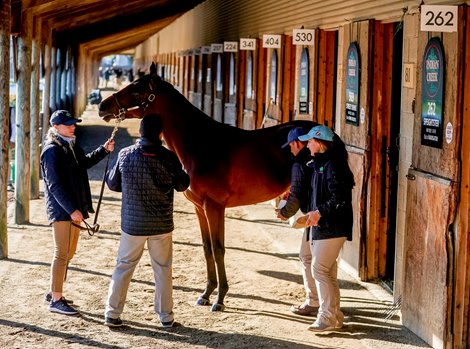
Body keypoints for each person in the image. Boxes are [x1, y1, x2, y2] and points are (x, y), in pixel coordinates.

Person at [104, 114, 190, 328]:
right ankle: (166, 317)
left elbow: (113, 185)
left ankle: (112, 313)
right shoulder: (169, 157)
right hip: (160, 224)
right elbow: (182, 186)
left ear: (140, 131)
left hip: (132, 225)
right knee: (162, 269)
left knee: (123, 267)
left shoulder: (125, 154)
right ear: (161, 133)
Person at [41, 110, 115, 316]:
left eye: (73, 123)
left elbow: (84, 163)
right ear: (56, 127)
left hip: (73, 208)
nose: (73, 126)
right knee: (61, 254)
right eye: (68, 124)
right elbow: (54, 186)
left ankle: (53, 292)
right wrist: (72, 210)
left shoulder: (69, 146)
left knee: (69, 253)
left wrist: (103, 150)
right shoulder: (52, 150)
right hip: (62, 210)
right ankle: (56, 299)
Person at [297, 125, 354, 332]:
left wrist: (319, 212)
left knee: (320, 269)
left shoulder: (333, 165)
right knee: (326, 271)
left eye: (310, 141)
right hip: (323, 224)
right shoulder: (321, 163)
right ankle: (334, 317)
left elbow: (339, 199)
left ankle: (327, 317)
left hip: (332, 225)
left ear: (320, 143)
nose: (307, 144)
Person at [275, 127, 318, 316]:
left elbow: (297, 195)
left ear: (295, 143)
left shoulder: (299, 165)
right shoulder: (318, 159)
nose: (291, 150)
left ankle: (314, 301)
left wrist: (284, 212)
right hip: (322, 214)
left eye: (291, 146)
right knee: (319, 262)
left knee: (307, 258)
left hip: (314, 216)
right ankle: (321, 302)